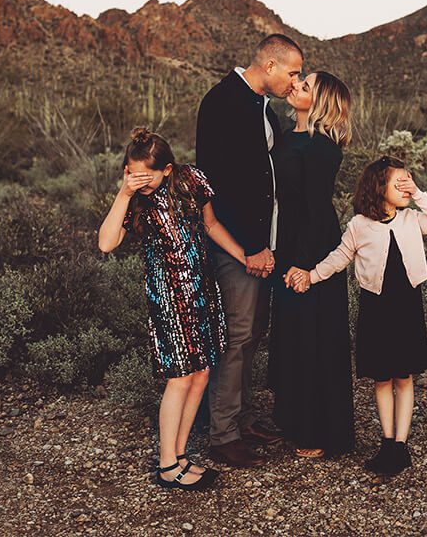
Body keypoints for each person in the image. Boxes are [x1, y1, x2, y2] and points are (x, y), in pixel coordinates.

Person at [98, 128, 249, 490]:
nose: (139, 180)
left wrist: (244, 257)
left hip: (201, 290)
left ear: (167, 169)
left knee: (201, 374)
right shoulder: (134, 199)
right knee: (180, 376)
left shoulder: (191, 179)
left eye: (145, 174)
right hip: (167, 296)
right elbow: (106, 244)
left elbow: (210, 225)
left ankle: (180, 456)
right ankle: (167, 465)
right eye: (131, 172)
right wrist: (124, 191)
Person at [291, 156, 427, 476]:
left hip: (407, 308)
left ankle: (400, 446)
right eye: (400, 183)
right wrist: (311, 276)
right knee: (382, 378)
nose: (407, 188)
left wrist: (419, 194)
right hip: (376, 309)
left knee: (404, 377)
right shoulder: (359, 225)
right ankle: (386, 441)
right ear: (379, 188)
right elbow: (339, 258)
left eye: (410, 181)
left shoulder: (412, 219)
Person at [191, 33, 304, 467]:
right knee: (238, 336)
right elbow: (221, 181)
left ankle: (238, 418)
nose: (295, 82)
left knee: (253, 333)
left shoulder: (261, 106)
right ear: (270, 65)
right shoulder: (224, 101)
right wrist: (253, 247)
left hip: (263, 241)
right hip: (239, 245)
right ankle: (222, 435)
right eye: (292, 73)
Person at [267, 72, 356, 458]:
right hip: (287, 244)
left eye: (306, 87)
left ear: (319, 102)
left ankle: (319, 430)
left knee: (314, 338)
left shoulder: (322, 148)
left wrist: (305, 265)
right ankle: (292, 418)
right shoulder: (289, 135)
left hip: (311, 248)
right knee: (293, 334)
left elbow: (316, 209)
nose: (296, 88)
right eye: (299, 83)